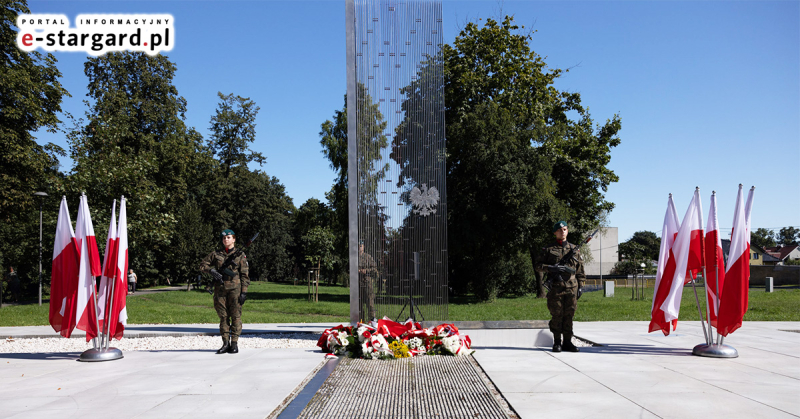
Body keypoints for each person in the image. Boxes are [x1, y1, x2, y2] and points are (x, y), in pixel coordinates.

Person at [535, 221, 586, 353]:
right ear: (555, 233)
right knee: (557, 314)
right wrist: (550, 267)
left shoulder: (574, 249)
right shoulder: (548, 249)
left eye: (564, 229)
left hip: (572, 287)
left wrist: (581, 286)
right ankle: (557, 342)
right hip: (556, 288)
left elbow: (580, 270)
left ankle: (568, 342)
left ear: (567, 231)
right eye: (559, 230)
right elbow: (537, 265)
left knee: (569, 314)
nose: (562, 231)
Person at [200, 229, 250, 354]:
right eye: (224, 238)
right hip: (220, 290)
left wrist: (244, 292)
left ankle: (234, 343)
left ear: (234, 239)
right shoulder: (216, 254)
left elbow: (245, 275)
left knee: (236, 317)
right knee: (223, 317)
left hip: (235, 290)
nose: (226, 240)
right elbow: (202, 265)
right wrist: (211, 271)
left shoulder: (240, 255)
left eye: (228, 237)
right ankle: (225, 343)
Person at [358, 242, 377, 321]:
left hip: (367, 282)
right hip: (357, 283)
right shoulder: (353, 258)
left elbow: (374, 269)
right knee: (359, 305)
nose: (359, 248)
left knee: (370, 303)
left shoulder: (368, 257)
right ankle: (360, 322)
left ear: (363, 247)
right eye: (358, 246)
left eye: (361, 246)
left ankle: (372, 321)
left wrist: (366, 271)